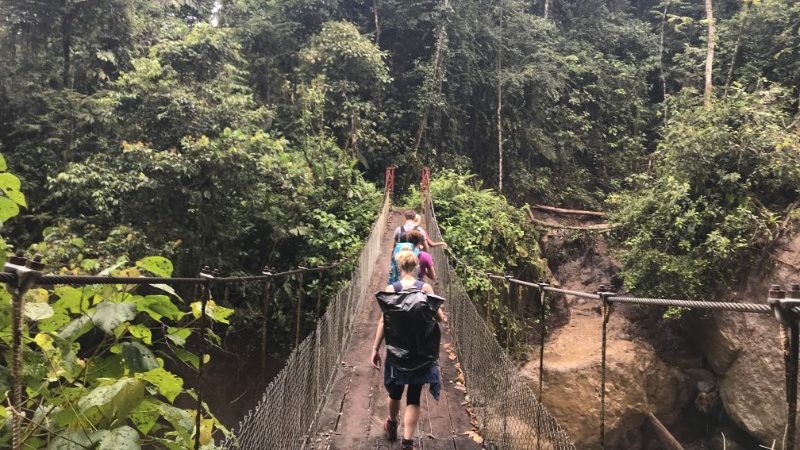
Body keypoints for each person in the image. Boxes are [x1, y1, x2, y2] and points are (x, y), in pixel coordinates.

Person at [372, 251, 445, 449]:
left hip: (397, 353)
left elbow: (382, 321)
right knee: (413, 397)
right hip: (421, 353)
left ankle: (392, 423)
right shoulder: (425, 288)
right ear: (416, 267)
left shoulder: (391, 288)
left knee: (395, 393)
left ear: (399, 266)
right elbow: (440, 318)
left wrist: (375, 349)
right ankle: (407, 441)